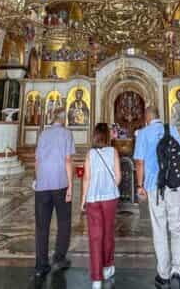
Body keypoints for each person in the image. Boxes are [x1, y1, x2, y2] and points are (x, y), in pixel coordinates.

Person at [133, 105, 180, 287]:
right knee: (177, 228)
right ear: (158, 116)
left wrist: (140, 186)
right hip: (173, 185)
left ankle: (163, 274)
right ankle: (177, 271)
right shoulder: (170, 128)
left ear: (147, 118)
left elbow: (139, 162)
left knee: (160, 230)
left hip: (154, 187)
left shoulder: (143, 133)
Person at [33, 108, 75, 280]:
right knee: (64, 222)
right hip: (60, 183)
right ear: (63, 120)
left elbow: (37, 160)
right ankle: (59, 257)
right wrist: (71, 186)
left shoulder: (43, 134)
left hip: (42, 183)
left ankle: (41, 265)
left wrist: (37, 179)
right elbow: (67, 160)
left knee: (42, 226)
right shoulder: (66, 134)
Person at [81, 122, 121, 289]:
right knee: (108, 234)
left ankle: (96, 279)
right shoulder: (113, 152)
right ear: (107, 136)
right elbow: (118, 176)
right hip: (110, 198)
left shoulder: (90, 153)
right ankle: (107, 267)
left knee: (95, 237)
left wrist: (83, 199)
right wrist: (112, 187)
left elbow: (86, 178)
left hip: (93, 199)